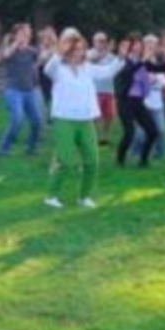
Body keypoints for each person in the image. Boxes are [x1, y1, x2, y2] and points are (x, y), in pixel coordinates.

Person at [43, 28, 123, 208]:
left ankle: (84, 196)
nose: (79, 52)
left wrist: (122, 57)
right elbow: (48, 69)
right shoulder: (58, 68)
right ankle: (51, 196)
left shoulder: (87, 68)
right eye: (75, 49)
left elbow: (108, 72)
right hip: (63, 119)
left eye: (81, 49)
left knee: (92, 161)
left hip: (86, 120)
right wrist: (61, 50)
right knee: (65, 159)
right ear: (68, 50)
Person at [0, 23, 45, 156]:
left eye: (27, 33)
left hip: (29, 91)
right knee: (17, 118)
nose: (26, 36)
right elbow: (5, 55)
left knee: (37, 120)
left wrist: (47, 42)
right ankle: (3, 148)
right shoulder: (11, 50)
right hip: (13, 90)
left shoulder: (31, 51)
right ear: (16, 35)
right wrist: (16, 43)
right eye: (22, 33)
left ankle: (31, 148)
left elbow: (42, 58)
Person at [117, 36, 163, 168]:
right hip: (125, 101)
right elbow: (129, 73)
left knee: (153, 131)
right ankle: (120, 160)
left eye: (139, 44)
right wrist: (143, 61)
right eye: (135, 44)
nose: (138, 47)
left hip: (138, 101)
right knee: (129, 132)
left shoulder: (143, 61)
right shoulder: (123, 60)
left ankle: (143, 160)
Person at [88, 32, 118, 145]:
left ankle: (104, 137)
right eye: (99, 41)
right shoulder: (89, 53)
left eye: (104, 41)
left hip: (108, 90)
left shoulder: (110, 56)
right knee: (95, 116)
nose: (102, 43)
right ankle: (93, 136)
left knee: (108, 116)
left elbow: (117, 66)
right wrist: (107, 51)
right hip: (94, 90)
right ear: (94, 41)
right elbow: (92, 60)